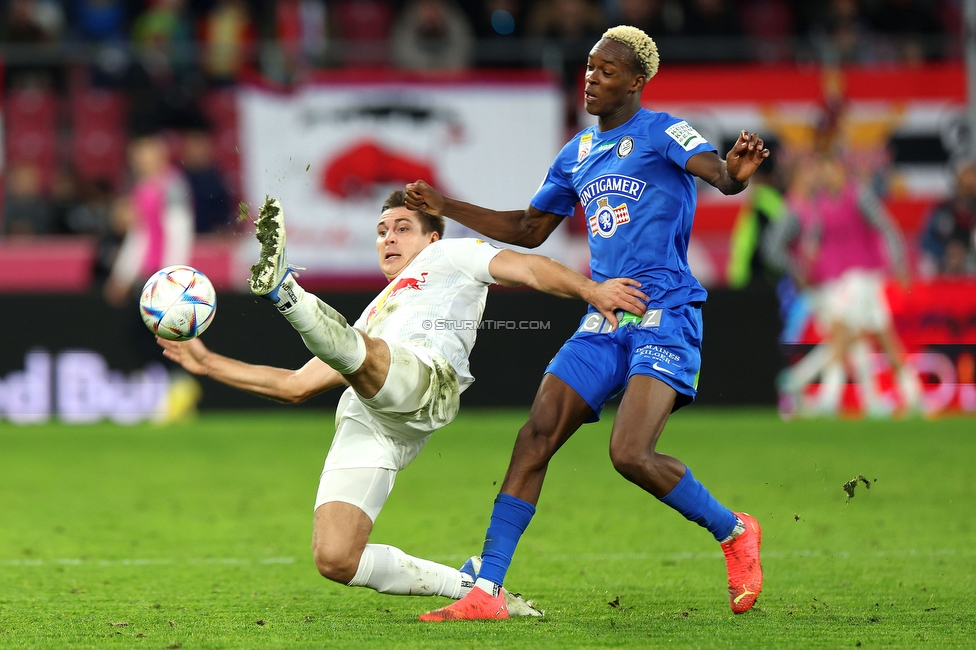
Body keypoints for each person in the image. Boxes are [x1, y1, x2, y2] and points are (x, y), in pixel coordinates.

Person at [405, 25, 770, 621]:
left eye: (606, 70)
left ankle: (734, 531)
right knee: (535, 436)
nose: (592, 78)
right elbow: (529, 229)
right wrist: (448, 207)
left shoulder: (661, 130)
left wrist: (736, 171)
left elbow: (720, 176)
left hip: (665, 311)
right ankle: (487, 591)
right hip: (606, 313)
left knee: (629, 454)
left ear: (636, 81)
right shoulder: (576, 152)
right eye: (590, 68)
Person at [157, 190, 647, 609]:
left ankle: (286, 292)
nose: (388, 237)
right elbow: (295, 386)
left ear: (431, 237)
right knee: (335, 558)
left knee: (363, 354)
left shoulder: (451, 255)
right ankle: (469, 586)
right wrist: (208, 365)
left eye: (402, 228)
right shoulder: (374, 313)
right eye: (381, 230)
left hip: (428, 379)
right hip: (372, 419)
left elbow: (529, 269)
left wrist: (592, 290)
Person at [765, 152, 922, 417]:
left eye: (831, 169)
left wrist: (899, 261)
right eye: (824, 170)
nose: (827, 175)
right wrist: (807, 264)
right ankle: (905, 393)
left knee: (843, 330)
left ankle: (815, 388)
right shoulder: (820, 203)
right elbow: (814, 239)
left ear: (842, 170)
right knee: (879, 335)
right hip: (841, 280)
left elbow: (886, 226)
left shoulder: (859, 195)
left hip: (865, 276)